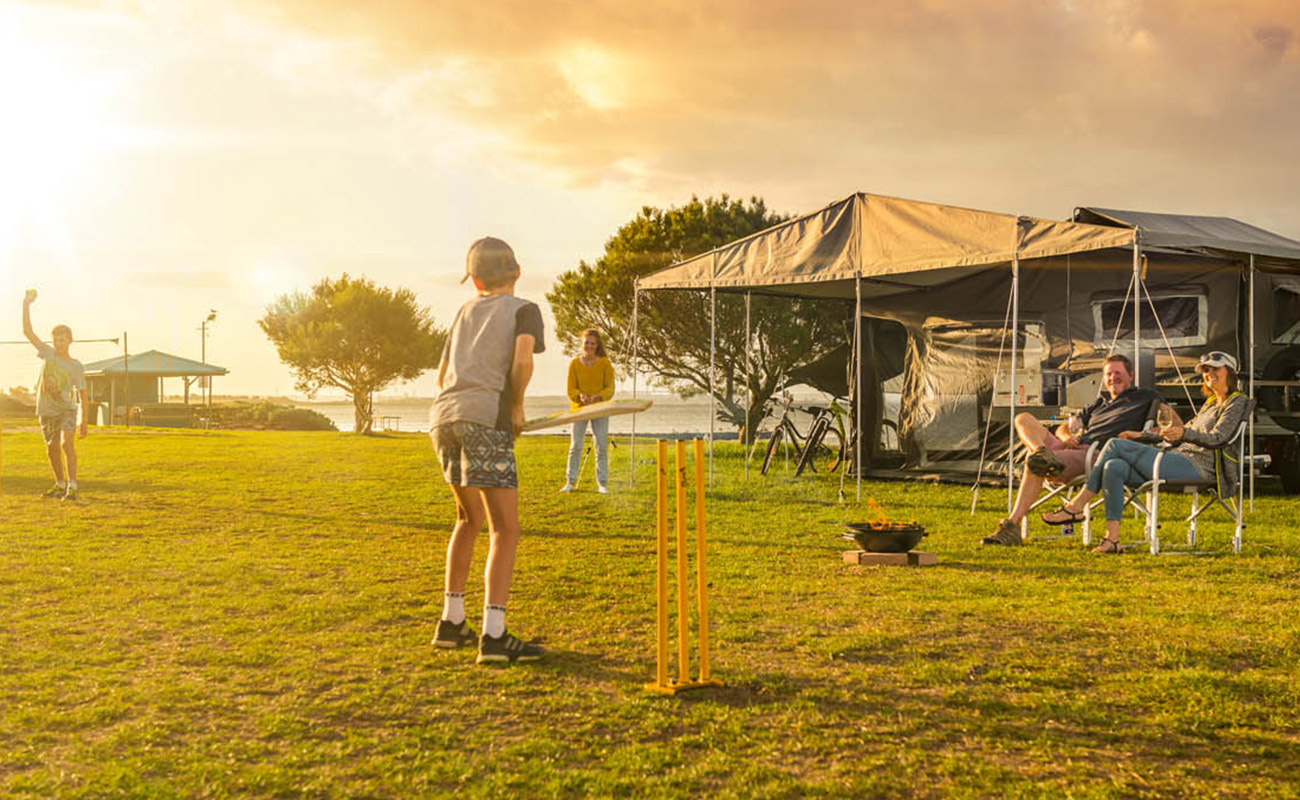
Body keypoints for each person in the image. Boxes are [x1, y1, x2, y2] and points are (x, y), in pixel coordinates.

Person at [428, 237, 546, 664]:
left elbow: (442, 375)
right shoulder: (524, 310)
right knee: (505, 528)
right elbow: (521, 361)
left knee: (467, 518)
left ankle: (451, 622)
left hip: (443, 419)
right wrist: (514, 406)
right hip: (484, 418)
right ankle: (494, 634)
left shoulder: (462, 312)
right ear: (517, 271)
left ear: (474, 279)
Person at [1039, 351, 1251, 554]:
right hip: (1179, 458)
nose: (1209, 373)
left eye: (1215, 369)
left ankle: (1077, 505)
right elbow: (1178, 434)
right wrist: (1140, 435)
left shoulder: (1237, 401)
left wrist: (1184, 433)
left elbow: (1219, 438)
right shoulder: (1211, 403)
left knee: (1114, 444)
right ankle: (1112, 539)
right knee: (1114, 467)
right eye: (1205, 370)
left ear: (1230, 372)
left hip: (1200, 467)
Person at [983, 353, 1161, 545]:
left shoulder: (1146, 397)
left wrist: (1138, 435)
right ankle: (1041, 452)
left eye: (1118, 373)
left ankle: (1012, 524)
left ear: (1131, 375)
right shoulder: (1099, 403)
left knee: (1034, 463)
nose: (1112, 378)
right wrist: (1067, 437)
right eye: (1108, 374)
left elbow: (1166, 425)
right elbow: (1064, 427)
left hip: (1097, 453)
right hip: (1073, 445)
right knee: (1023, 418)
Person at [22, 290, 88, 501]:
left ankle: (73, 487)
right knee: (51, 449)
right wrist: (26, 304)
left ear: (70, 340)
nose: (59, 343)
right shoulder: (48, 354)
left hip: (67, 410)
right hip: (46, 411)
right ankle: (60, 484)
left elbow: (83, 395)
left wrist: (84, 421)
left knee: (65, 444)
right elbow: (28, 331)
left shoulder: (76, 366)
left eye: (63, 339)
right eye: (56, 340)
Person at [560, 328, 615, 494]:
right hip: (579, 410)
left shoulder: (605, 363)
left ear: (597, 345)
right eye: (586, 343)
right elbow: (571, 390)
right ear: (581, 343)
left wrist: (598, 396)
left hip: (600, 409)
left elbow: (610, 388)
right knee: (576, 445)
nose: (589, 346)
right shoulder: (574, 364)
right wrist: (580, 396)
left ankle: (602, 484)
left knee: (601, 446)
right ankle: (570, 482)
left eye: (592, 343)